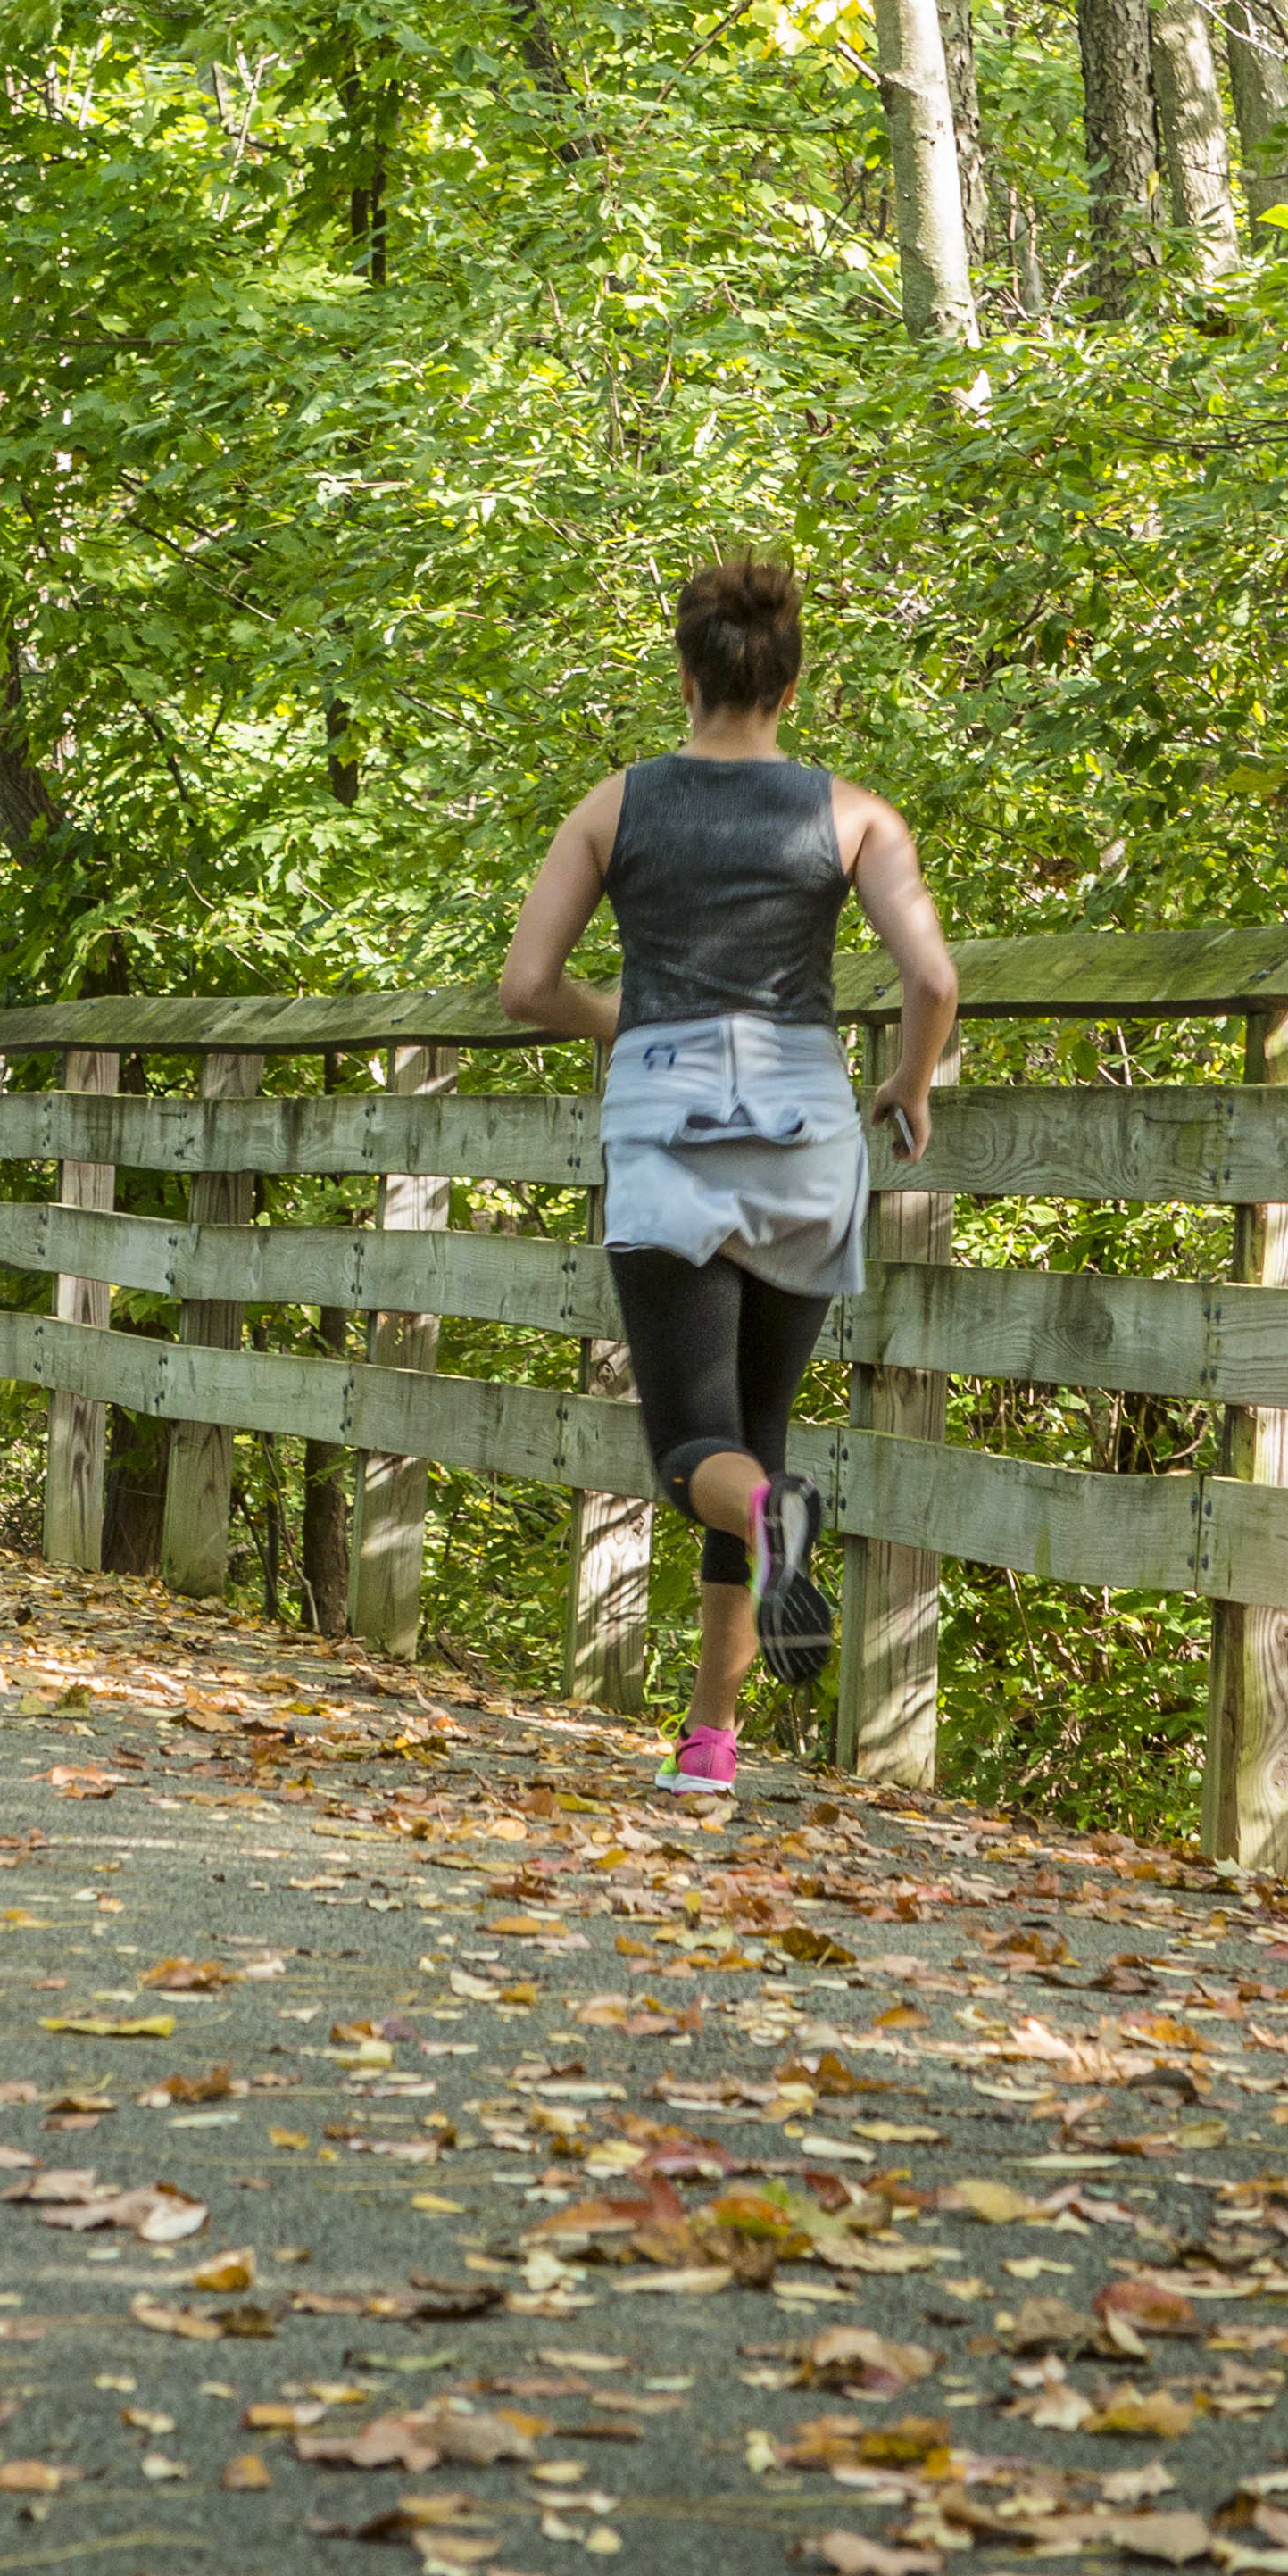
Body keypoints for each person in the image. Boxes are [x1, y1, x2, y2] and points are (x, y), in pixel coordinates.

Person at [499, 557, 964, 1798]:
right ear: (790, 681)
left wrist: (627, 1023)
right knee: (755, 1443)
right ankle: (710, 1744)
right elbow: (933, 983)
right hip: (813, 1130)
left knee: (694, 1453)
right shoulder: (855, 815)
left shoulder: (618, 806)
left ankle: (760, 1564)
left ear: (688, 672)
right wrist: (910, 1088)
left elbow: (527, 986)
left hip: (669, 1131)